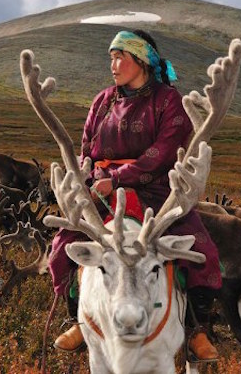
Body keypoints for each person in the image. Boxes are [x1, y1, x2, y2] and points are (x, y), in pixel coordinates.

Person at [49, 29, 222, 361]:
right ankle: (77, 321)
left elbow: (163, 152)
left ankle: (197, 328)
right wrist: (87, 176)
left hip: (155, 190)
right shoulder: (102, 101)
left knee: (199, 245)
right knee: (65, 243)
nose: (113, 65)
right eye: (111, 58)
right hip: (100, 190)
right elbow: (86, 146)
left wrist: (117, 178)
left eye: (120, 58)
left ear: (141, 60)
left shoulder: (168, 101)